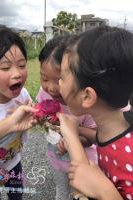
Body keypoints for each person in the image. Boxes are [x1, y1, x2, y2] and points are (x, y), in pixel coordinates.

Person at [57, 25, 133, 200]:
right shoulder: (115, 125)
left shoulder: (128, 156)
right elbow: (104, 139)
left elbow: (83, 180)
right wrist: (80, 132)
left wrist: (106, 192)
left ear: (87, 96)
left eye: (62, 77)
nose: (59, 84)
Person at [36, 35, 97, 200]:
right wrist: (40, 118)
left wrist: (71, 140)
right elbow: (44, 120)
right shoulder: (43, 94)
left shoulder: (85, 103)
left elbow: (93, 137)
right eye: (44, 78)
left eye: (59, 79)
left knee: (81, 193)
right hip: (55, 157)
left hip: (84, 162)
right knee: (61, 192)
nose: (51, 88)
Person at [0, 25, 37, 200]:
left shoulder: (22, 94)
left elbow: (32, 113)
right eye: (5, 68)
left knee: (17, 194)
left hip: (13, 162)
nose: (17, 74)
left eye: (21, 65)